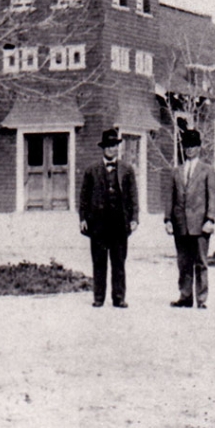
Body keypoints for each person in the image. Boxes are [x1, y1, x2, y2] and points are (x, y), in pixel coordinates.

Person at [79, 129, 139, 308]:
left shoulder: (127, 170)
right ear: (103, 148)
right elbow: (84, 197)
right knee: (99, 261)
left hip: (119, 223)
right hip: (98, 224)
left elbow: (133, 196)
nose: (112, 149)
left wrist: (134, 217)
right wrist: (83, 218)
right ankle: (98, 297)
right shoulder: (92, 171)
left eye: (115, 145)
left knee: (119, 261)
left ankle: (119, 297)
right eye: (108, 146)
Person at [165, 129, 215, 309]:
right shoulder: (176, 171)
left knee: (201, 262)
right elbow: (170, 197)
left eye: (193, 145)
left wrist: (210, 219)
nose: (189, 149)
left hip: (200, 224)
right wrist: (168, 220)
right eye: (186, 146)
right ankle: (185, 296)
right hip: (181, 224)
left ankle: (201, 299)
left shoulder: (207, 170)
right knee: (183, 261)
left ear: (199, 147)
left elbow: (212, 196)